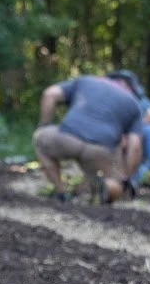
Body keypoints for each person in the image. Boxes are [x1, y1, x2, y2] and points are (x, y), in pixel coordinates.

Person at [35, 71, 142, 201]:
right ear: (131, 88)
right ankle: (107, 188)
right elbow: (135, 146)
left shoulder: (85, 81)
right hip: (100, 149)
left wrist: (44, 125)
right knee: (115, 182)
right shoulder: (133, 104)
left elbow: (49, 94)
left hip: (67, 138)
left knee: (40, 138)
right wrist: (126, 177)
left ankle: (60, 191)